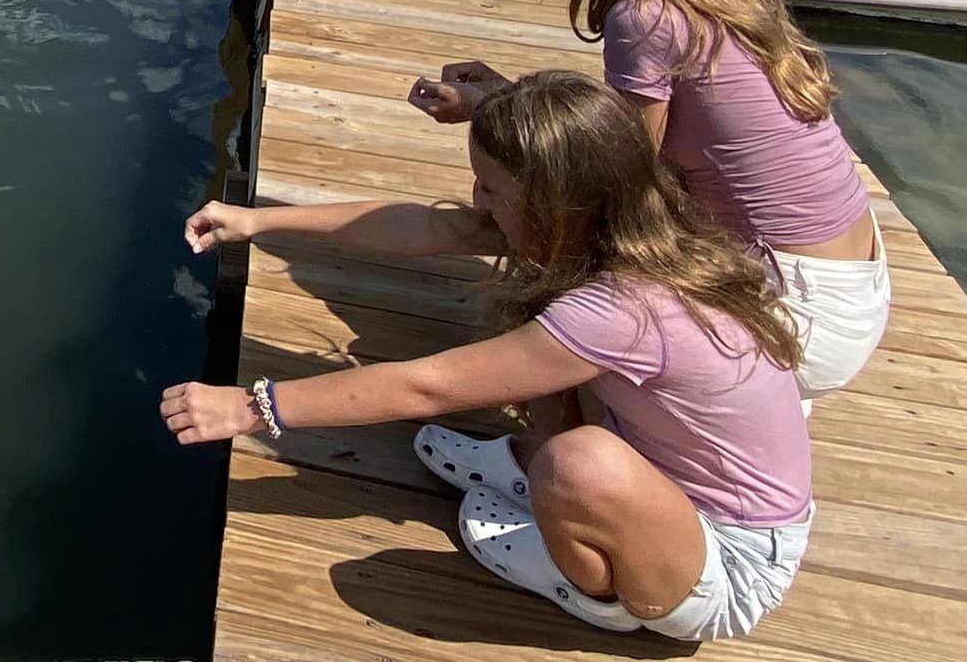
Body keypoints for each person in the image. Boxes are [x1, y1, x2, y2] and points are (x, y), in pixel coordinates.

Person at [163, 72, 812, 642]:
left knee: (579, 458)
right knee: (538, 341)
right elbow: (423, 227)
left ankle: (598, 594)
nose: (477, 201)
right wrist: (260, 221)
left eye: (493, 190)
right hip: (665, 468)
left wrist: (251, 405)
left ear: (556, 199)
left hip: (729, 562)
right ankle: (547, 481)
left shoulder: (625, 308)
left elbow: (429, 388)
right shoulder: (629, 223)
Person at [408, 0, 888, 398]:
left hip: (790, 313)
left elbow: (619, 172)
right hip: (852, 290)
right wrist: (504, 98)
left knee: (572, 225)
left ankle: (554, 449)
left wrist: (494, 116)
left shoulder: (644, 15)